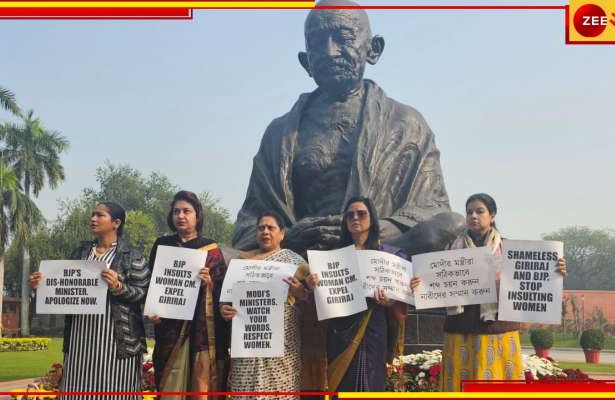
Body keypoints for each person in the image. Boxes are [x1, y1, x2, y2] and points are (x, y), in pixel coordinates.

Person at [231, 0, 464, 257]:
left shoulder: (406, 123)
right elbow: (247, 227)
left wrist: (371, 229)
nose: (330, 52)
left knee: (452, 224)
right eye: (317, 42)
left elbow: (433, 209)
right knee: (214, 256)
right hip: (302, 256)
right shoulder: (279, 134)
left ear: (373, 49)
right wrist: (288, 235)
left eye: (343, 37)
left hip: (375, 253)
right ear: (305, 61)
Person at [411, 193, 567, 391]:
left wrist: (555, 270)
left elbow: (533, 279)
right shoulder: (450, 250)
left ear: (492, 215)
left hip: (498, 330)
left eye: (479, 211)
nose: (473, 216)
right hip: (461, 330)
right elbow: (436, 284)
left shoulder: (509, 250)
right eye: (469, 212)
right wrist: (420, 284)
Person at [29, 202, 150, 400]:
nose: (93, 219)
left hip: (118, 342)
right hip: (80, 340)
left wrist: (119, 287)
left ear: (116, 223)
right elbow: (63, 289)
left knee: (117, 393)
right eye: (93, 214)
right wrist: (39, 287)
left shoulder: (133, 256)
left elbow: (144, 293)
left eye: (100, 215)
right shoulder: (80, 253)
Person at [306, 196, 409, 391]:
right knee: (342, 380)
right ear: (345, 222)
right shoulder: (333, 256)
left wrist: (391, 301)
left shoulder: (386, 256)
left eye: (361, 214)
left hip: (373, 325)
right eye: (350, 215)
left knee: (371, 377)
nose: (355, 218)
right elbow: (321, 296)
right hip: (340, 328)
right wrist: (313, 285)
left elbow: (401, 294)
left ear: (372, 219)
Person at [146, 190, 229, 398]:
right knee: (170, 384)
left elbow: (224, 289)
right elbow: (153, 283)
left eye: (186, 211)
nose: (180, 216)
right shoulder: (162, 245)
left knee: (200, 382)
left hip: (202, 330)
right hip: (169, 328)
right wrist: (152, 311)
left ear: (197, 215)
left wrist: (210, 283)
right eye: (176, 211)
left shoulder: (211, 250)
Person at [220, 211, 311, 399]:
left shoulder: (293, 261)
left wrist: (300, 292)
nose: (265, 232)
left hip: (282, 343)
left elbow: (309, 295)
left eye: (271, 228)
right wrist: (224, 309)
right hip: (248, 342)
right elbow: (226, 298)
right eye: (261, 228)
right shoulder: (242, 262)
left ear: (282, 234)